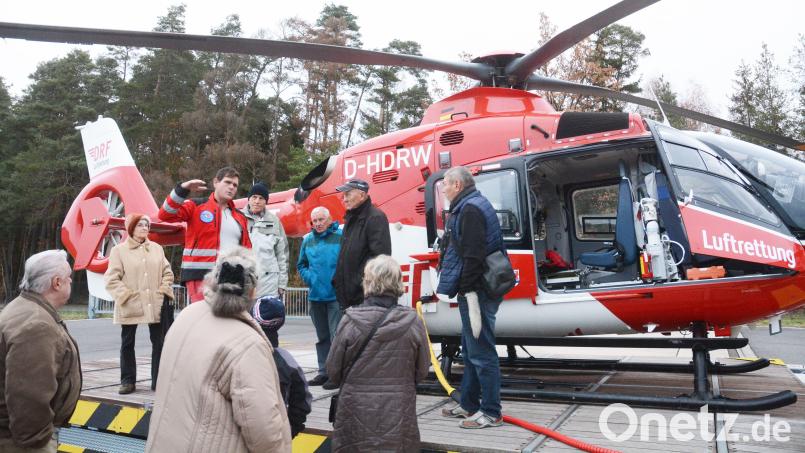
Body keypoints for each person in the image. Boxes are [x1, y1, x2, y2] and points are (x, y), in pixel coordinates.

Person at [146, 247, 291, 452]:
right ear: (252, 291)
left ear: (213, 280)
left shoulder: (186, 316)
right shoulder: (248, 345)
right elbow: (264, 431)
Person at [326, 255, 430, 452]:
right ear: (398, 282)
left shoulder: (349, 320)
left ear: (367, 281)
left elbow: (333, 371)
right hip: (398, 414)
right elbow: (422, 370)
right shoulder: (413, 322)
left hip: (354, 414)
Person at [437, 166, 506, 429]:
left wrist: (466, 288)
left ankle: (491, 412)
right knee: (471, 350)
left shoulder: (469, 210)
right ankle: (468, 404)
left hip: (477, 291)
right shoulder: (471, 205)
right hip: (476, 290)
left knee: (481, 352)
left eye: (444, 183)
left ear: (456, 185)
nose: (442, 188)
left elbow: (474, 256)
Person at [0, 250, 81, 452]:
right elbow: (28, 395)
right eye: (68, 277)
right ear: (57, 283)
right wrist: (36, 442)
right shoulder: (36, 325)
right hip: (23, 443)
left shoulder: (23, 307)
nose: (71, 281)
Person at [158, 166, 252, 303]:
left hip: (232, 277)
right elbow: (165, 214)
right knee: (204, 320)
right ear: (215, 182)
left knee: (226, 322)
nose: (232, 187)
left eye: (235, 185)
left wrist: (250, 278)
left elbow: (247, 251)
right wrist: (182, 189)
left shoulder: (240, 216)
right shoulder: (196, 206)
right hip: (200, 275)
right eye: (227, 182)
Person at [104, 213, 174, 394]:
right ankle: (127, 381)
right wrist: (125, 295)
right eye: (140, 224)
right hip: (130, 302)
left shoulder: (157, 248)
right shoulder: (119, 251)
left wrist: (163, 290)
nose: (145, 227)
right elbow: (111, 279)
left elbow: (167, 272)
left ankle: (158, 380)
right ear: (131, 228)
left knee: (159, 342)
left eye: (147, 225)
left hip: (155, 301)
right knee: (127, 342)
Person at [251, 296, 312, 439]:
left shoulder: (236, 351)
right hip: (275, 434)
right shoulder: (287, 361)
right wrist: (291, 429)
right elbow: (302, 399)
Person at [297, 206, 342, 386]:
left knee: (336, 337)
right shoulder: (307, 240)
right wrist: (311, 279)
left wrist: (339, 280)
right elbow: (301, 265)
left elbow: (347, 260)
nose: (318, 224)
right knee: (322, 337)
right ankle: (323, 372)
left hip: (335, 296)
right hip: (315, 296)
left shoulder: (341, 236)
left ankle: (336, 374)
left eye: (321, 220)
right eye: (314, 221)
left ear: (329, 219)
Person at [332, 178, 391, 310]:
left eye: (348, 194)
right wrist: (336, 280)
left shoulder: (375, 217)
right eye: (343, 195)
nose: (344, 199)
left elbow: (380, 258)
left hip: (365, 297)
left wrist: (357, 282)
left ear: (362, 195)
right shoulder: (350, 219)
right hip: (348, 296)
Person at [241, 182, 289, 299]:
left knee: (266, 317)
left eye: (261, 198)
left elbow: (282, 255)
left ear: (266, 201)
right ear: (249, 199)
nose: (257, 201)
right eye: (254, 197)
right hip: (243, 281)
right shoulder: (238, 217)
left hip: (269, 284)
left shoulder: (275, 221)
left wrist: (282, 283)